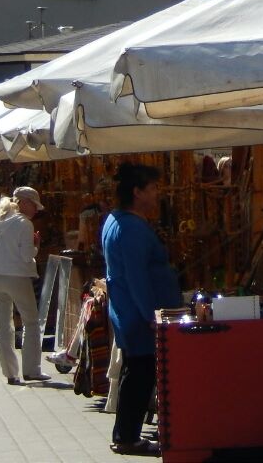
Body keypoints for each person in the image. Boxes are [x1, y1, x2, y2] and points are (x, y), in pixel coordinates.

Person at [102, 163, 181, 456]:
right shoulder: (130, 227)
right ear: (137, 192)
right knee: (140, 373)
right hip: (138, 316)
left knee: (137, 372)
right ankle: (127, 437)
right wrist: (151, 315)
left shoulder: (118, 220)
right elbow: (136, 276)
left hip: (130, 312)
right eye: (153, 189)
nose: (157, 194)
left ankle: (126, 434)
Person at [0, 186, 51, 386]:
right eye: (33, 204)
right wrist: (36, 246)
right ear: (23, 202)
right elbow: (26, 256)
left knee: (4, 326)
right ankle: (31, 370)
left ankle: (10, 373)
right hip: (18, 277)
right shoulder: (24, 224)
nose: (36, 210)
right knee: (31, 322)